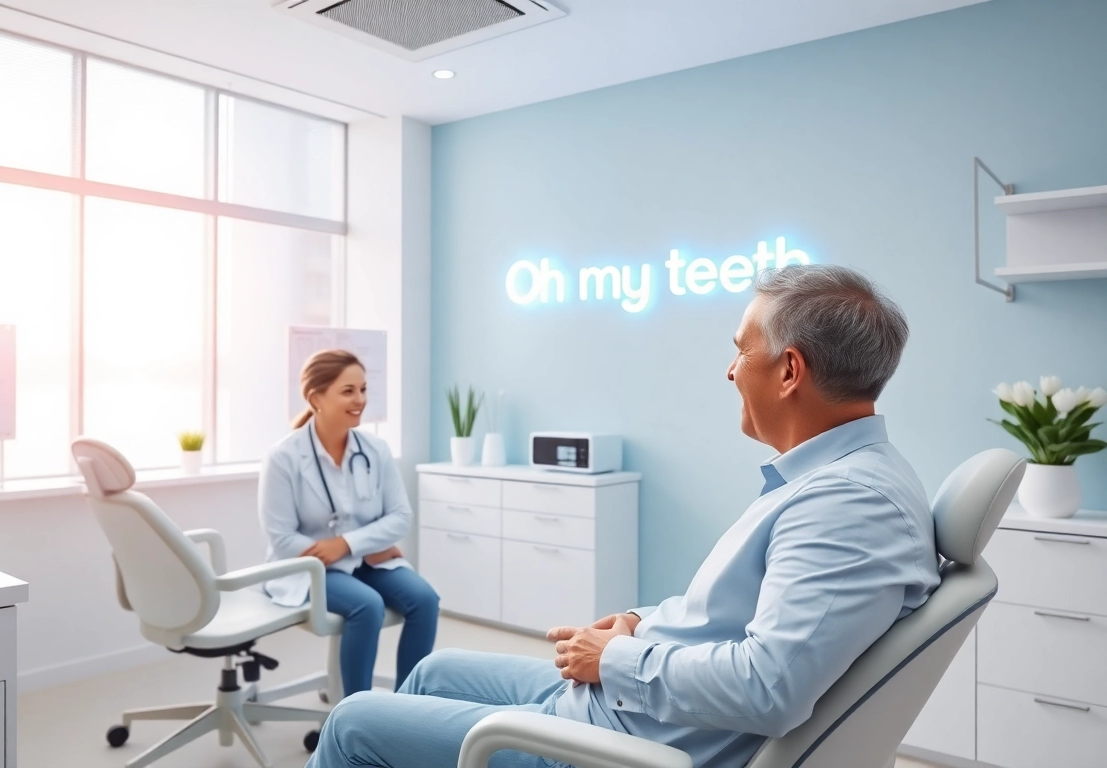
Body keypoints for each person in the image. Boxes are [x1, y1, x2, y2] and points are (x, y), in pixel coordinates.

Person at [304, 264, 941, 768]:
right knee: (435, 668)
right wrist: (641, 622)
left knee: (354, 720)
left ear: (789, 370)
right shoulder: (831, 483)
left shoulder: (849, 505)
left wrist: (612, 658)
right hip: (617, 704)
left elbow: (768, 687)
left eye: (740, 351)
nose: (728, 370)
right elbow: (738, 619)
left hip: (616, 745)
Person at [258, 349, 440, 698]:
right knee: (367, 605)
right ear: (316, 398)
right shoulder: (283, 457)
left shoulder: (375, 450)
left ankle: (409, 707)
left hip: (367, 560)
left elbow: (401, 516)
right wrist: (368, 544)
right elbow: (282, 538)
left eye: (363, 389)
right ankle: (356, 716)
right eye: (348, 391)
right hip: (310, 568)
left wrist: (347, 545)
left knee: (425, 600)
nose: (360, 400)